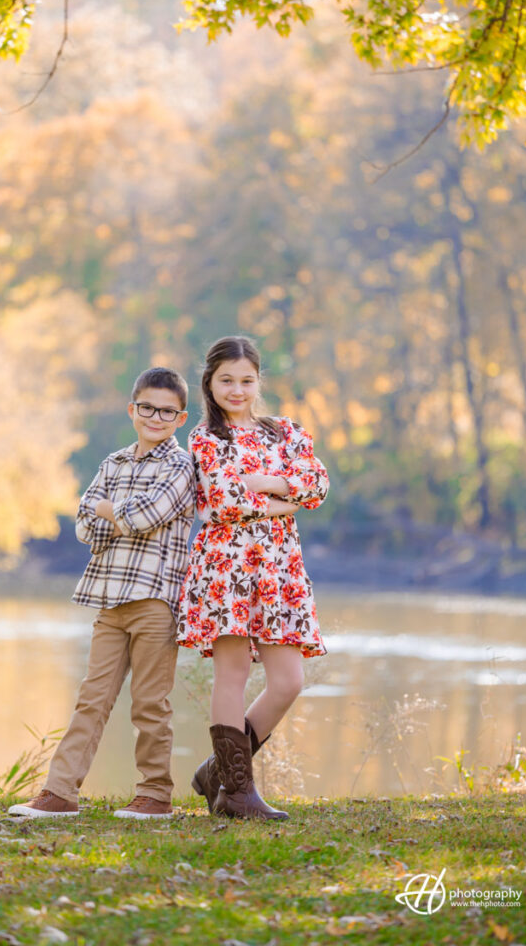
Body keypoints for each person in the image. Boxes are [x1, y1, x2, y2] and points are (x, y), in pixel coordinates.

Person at [9, 367, 195, 820]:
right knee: (91, 698)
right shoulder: (113, 462)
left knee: (151, 702)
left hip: (155, 600)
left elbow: (146, 516)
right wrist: (114, 514)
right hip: (109, 598)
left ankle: (154, 794)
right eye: (147, 408)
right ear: (133, 409)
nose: (155, 417)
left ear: (181, 418)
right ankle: (60, 792)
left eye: (166, 411)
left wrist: (111, 511)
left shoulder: (182, 466)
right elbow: (83, 524)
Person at [177, 335, 329, 820]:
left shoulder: (285, 431)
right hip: (228, 567)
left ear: (258, 380)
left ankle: (215, 773)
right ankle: (237, 795)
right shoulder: (205, 438)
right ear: (210, 382)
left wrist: (262, 484)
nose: (237, 390)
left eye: (246, 380)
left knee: (288, 681)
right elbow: (223, 503)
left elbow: (319, 484)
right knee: (233, 673)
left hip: (280, 568)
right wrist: (288, 496)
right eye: (227, 380)